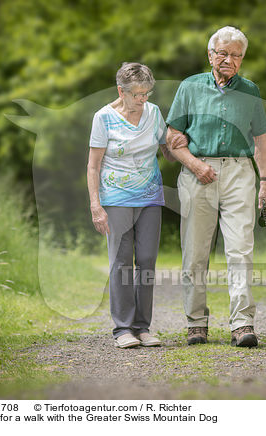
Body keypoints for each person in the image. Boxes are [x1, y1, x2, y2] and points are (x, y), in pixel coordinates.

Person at [166, 26, 266, 347]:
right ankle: (196, 323)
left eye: (236, 55)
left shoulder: (251, 91)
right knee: (195, 252)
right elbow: (173, 140)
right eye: (223, 53)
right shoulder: (190, 87)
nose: (229, 60)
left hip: (240, 173)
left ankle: (242, 324)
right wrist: (196, 165)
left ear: (242, 59)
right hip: (198, 171)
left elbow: (261, 141)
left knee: (241, 249)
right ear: (210, 54)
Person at [87, 62, 174, 349]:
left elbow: (167, 146)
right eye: (136, 94)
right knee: (122, 263)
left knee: (147, 261)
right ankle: (122, 328)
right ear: (120, 91)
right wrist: (95, 206)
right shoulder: (104, 118)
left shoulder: (153, 112)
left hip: (150, 197)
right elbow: (93, 166)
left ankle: (142, 327)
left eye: (146, 93)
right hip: (116, 199)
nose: (142, 100)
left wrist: (181, 144)